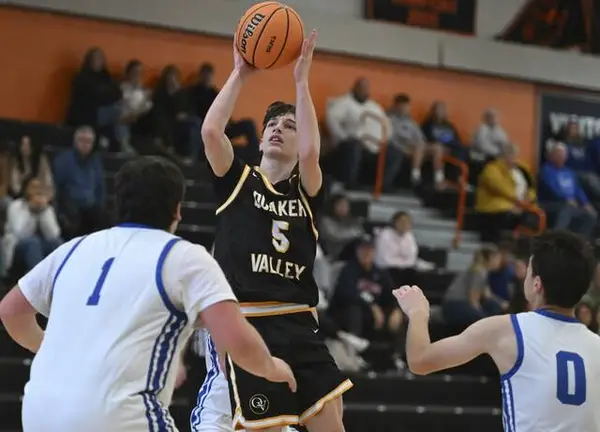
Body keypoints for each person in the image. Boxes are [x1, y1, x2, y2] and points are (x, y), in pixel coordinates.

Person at [0, 156, 296, 432]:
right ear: (177, 210)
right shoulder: (184, 256)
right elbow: (236, 338)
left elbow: (11, 311)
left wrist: (52, 349)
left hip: (38, 413)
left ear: (119, 202)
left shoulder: (73, 248)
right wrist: (271, 368)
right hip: (119, 416)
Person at [192, 31, 350, 432]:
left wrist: (301, 81)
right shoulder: (238, 180)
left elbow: (312, 153)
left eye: (290, 125)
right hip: (251, 323)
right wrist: (241, 73)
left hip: (299, 322)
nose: (279, 128)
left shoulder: (306, 191)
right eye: (272, 125)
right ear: (261, 139)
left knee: (332, 419)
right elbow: (211, 132)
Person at [394, 230, 600, 432]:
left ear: (537, 284)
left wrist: (418, 312)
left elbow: (420, 360)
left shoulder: (506, 329)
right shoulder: (596, 345)